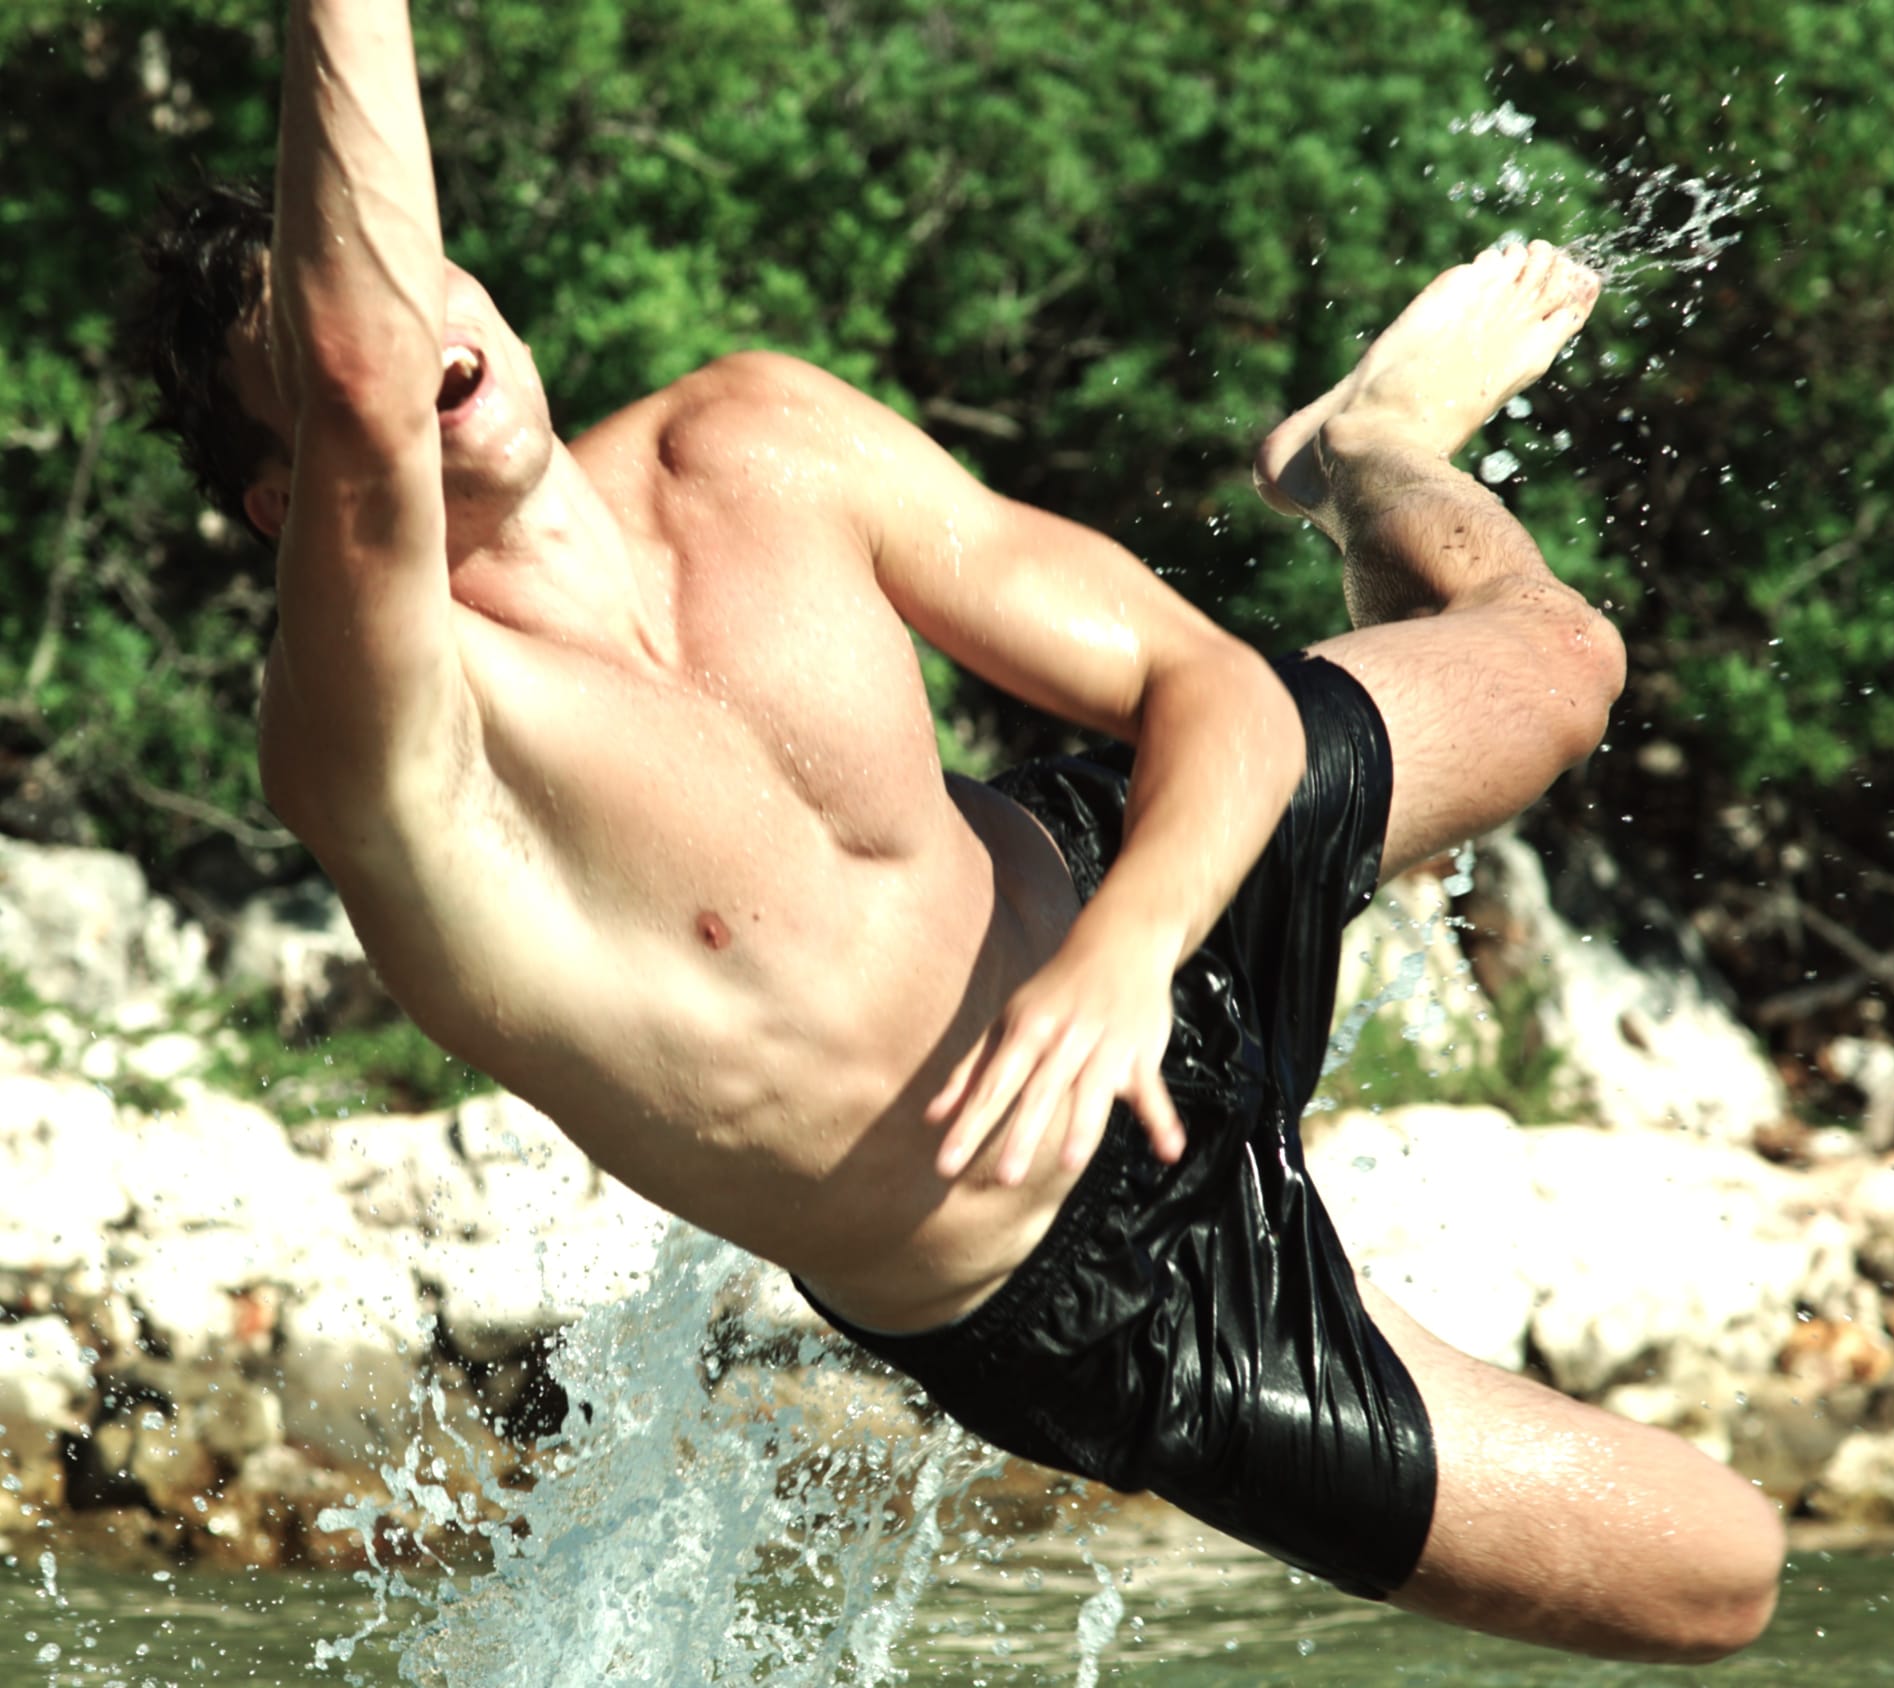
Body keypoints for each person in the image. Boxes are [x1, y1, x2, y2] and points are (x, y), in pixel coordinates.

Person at [135, 0, 1785, 1662]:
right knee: (1723, 1578)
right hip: (1108, 1281)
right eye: (349, 344)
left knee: (1562, 664)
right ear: (291, 500)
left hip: (1136, 888)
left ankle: (1361, 449)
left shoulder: (750, 442)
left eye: (425, 278)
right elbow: (361, 379)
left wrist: (1129, 952)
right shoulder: (387, 744)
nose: (414, 333)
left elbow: (1202, 682)